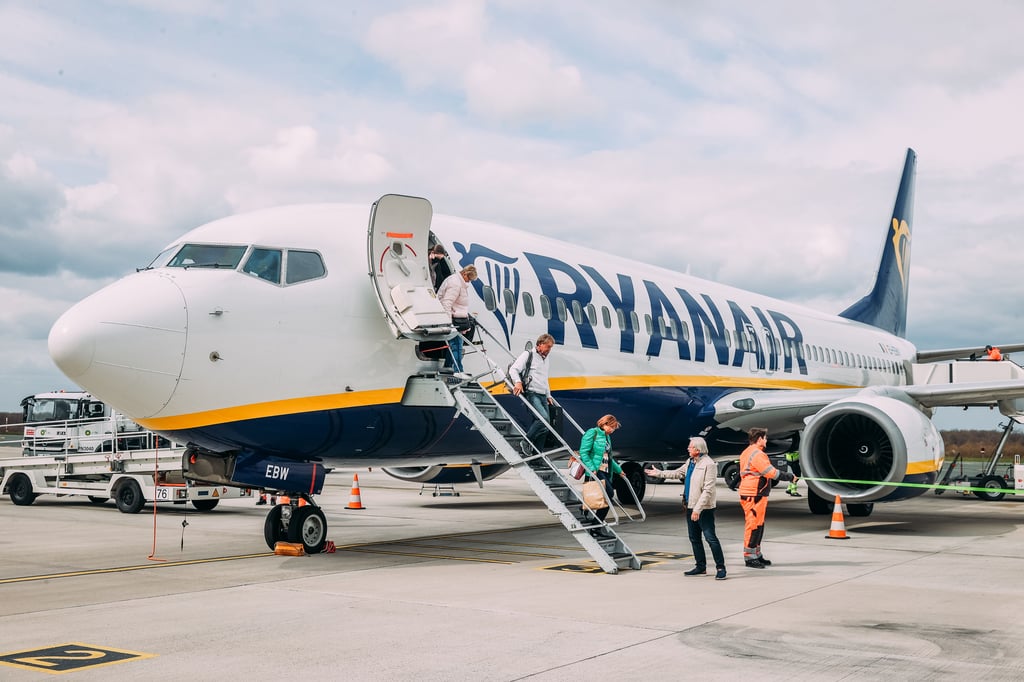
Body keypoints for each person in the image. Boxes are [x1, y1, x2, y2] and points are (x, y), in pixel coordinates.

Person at [646, 437, 726, 580]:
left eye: (690, 447)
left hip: (704, 508)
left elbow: (708, 490)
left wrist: (697, 510)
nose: (688, 449)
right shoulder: (690, 462)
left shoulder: (709, 464)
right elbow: (678, 473)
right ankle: (700, 567)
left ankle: (720, 567)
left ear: (698, 449)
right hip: (690, 505)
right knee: (694, 538)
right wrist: (658, 473)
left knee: (710, 538)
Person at [738, 427, 796, 569]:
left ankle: (756, 554)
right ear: (759, 439)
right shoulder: (757, 454)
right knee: (753, 525)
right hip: (753, 493)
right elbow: (771, 473)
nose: (766, 440)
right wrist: (789, 476)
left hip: (756, 493)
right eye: (765, 438)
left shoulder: (748, 452)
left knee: (758, 525)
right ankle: (750, 557)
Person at [578, 414, 626, 532]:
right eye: (611, 427)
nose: (612, 430)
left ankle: (594, 522)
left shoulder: (606, 437)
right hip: (595, 470)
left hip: (605, 471)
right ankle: (596, 525)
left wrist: (619, 470)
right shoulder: (592, 433)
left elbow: (609, 458)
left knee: (605, 497)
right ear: (604, 424)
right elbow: (584, 452)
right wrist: (591, 468)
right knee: (609, 495)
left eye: (614, 428)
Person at [509, 334, 555, 451]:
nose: (549, 350)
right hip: (532, 393)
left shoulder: (546, 359)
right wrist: (517, 382)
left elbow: (545, 378)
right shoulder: (528, 354)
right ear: (540, 345)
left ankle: (537, 457)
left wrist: (548, 395)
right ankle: (526, 441)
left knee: (545, 427)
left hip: (543, 395)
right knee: (543, 419)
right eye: (548, 347)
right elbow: (513, 369)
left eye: (551, 347)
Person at [437, 265, 478, 372]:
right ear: (465, 274)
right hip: (453, 320)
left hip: (457, 319)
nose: (469, 282)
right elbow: (447, 303)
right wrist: (448, 322)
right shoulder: (455, 283)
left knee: (455, 345)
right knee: (456, 346)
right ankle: (458, 371)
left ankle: (448, 368)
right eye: (469, 279)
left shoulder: (458, 282)